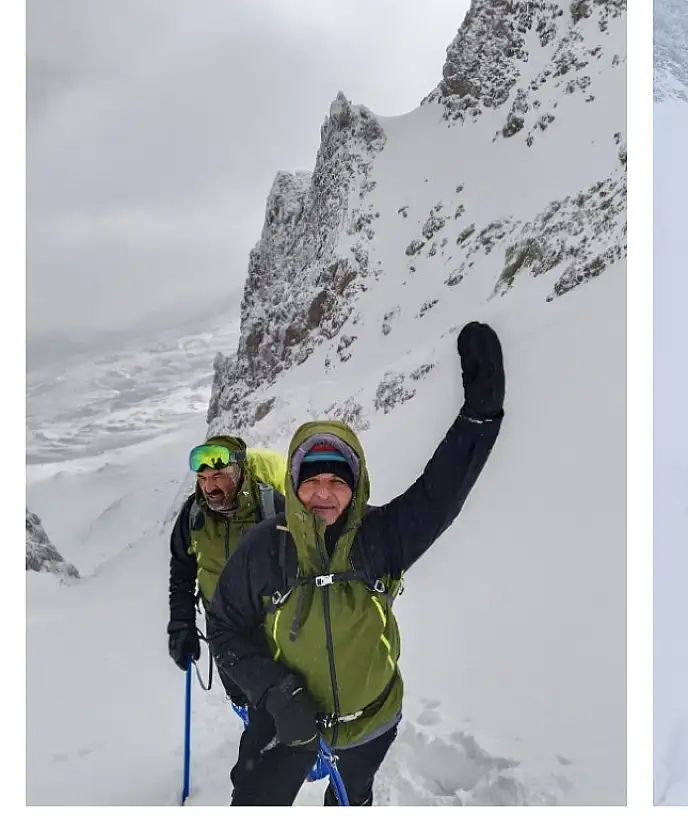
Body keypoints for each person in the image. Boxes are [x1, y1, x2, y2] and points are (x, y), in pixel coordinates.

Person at [207, 321, 505, 806]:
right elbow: (223, 628)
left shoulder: (382, 538)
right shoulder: (264, 549)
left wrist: (479, 421)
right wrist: (276, 693)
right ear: (294, 484)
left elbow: (440, 493)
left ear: (357, 486)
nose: (324, 492)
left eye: (338, 479)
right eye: (311, 478)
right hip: (285, 723)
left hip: (371, 721)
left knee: (351, 800)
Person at [168, 437, 288, 707]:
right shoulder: (193, 514)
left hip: (272, 629)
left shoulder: (273, 509)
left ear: (240, 471)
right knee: (241, 696)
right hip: (221, 630)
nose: (209, 487)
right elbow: (182, 570)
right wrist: (181, 624)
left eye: (219, 476)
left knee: (282, 704)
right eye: (203, 478)